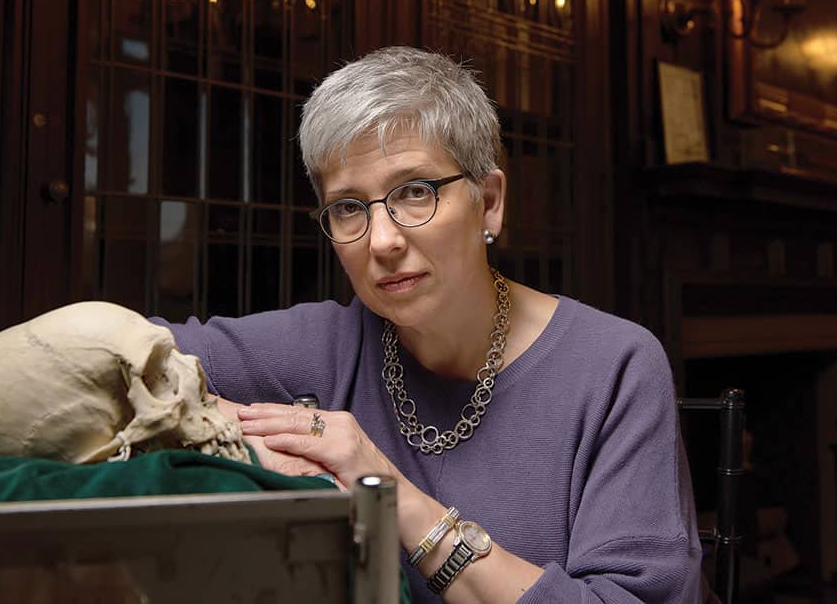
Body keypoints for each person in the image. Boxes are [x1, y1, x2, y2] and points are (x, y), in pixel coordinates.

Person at [153, 46, 705, 603]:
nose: (383, 241)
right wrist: (230, 426)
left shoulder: (614, 366)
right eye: (348, 207)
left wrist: (388, 494)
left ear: (488, 202)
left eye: (415, 193)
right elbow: (89, 353)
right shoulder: (323, 344)